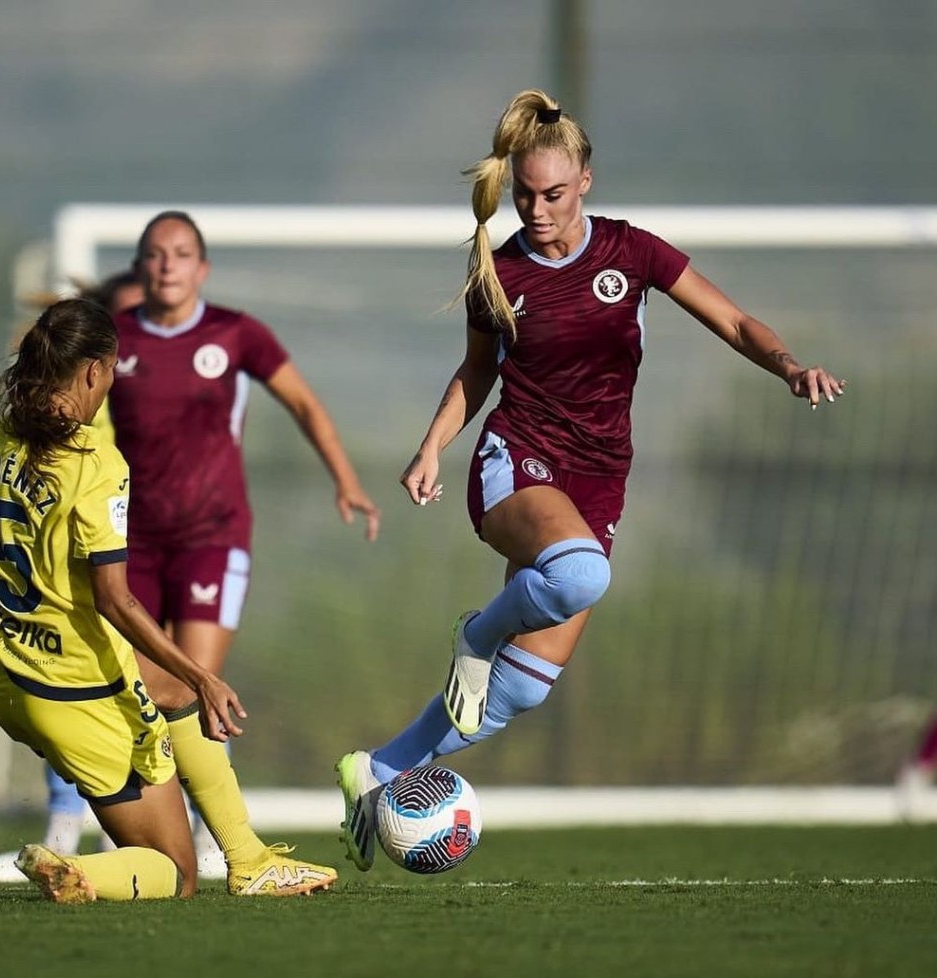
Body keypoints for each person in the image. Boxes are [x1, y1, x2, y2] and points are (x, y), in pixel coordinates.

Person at [335, 88, 846, 870]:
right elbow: (477, 373)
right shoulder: (498, 270)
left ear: (585, 182)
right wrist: (432, 446)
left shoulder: (630, 252)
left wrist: (788, 366)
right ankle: (477, 634)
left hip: (600, 477)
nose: (536, 210)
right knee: (578, 576)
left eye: (553, 194)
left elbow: (735, 321)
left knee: (524, 688)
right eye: (524, 195)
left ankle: (376, 770)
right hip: (518, 459)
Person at [0, 297, 263, 902]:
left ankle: (251, 859)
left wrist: (5, 502)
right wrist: (207, 676)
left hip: (4, 676)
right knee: (177, 875)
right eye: (111, 370)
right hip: (73, 689)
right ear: (92, 372)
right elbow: (115, 600)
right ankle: (76, 869)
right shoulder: (95, 461)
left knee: (171, 690)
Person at [108, 210, 379, 881]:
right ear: (140, 267)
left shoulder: (235, 333)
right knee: (129, 689)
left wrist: (346, 480)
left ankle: (215, 839)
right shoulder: (113, 338)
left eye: (181, 253)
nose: (167, 264)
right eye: (155, 253)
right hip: (130, 543)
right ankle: (134, 831)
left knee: (193, 689)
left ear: (202, 268)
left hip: (213, 537)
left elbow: (304, 403)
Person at [0, 269, 151, 886]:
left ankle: (117, 834)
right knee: (94, 688)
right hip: (76, 567)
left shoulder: (13, 431)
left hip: (114, 546)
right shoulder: (78, 424)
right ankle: (71, 831)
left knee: (138, 692)